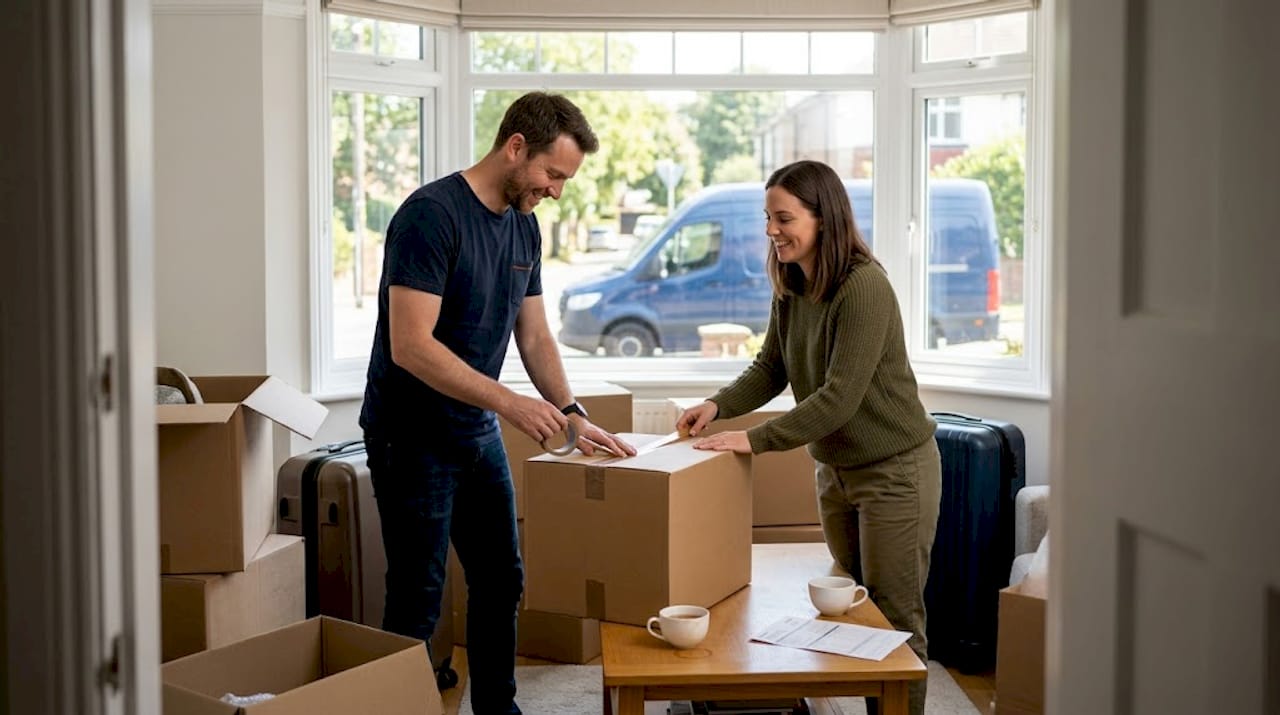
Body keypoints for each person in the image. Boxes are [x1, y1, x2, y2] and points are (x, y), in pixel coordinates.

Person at [360, 91, 635, 715]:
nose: (558, 190)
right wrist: (512, 405)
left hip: (473, 429)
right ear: (516, 148)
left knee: (501, 578)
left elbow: (534, 335)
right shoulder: (431, 216)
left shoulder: (524, 225)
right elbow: (411, 346)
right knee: (418, 594)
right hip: (411, 434)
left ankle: (497, 708)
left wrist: (573, 412)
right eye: (553, 174)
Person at [677, 159, 941, 715]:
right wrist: (718, 405)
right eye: (767, 218)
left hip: (895, 471)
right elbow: (771, 368)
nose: (772, 230)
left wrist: (755, 439)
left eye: (784, 218)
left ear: (825, 218)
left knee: (895, 617)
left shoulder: (864, 286)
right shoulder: (792, 282)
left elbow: (840, 398)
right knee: (854, 609)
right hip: (837, 472)